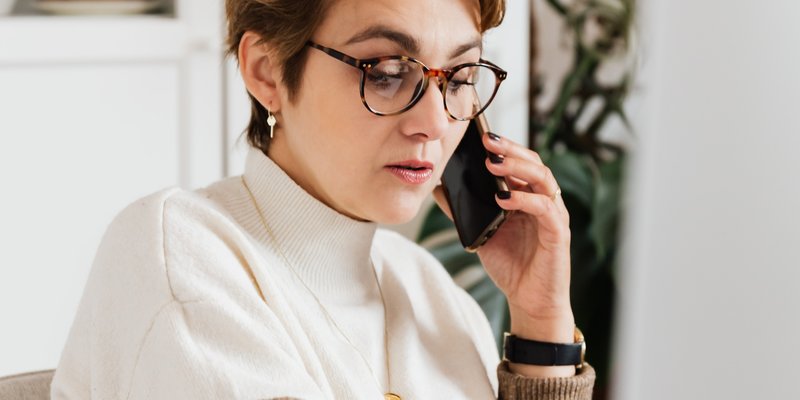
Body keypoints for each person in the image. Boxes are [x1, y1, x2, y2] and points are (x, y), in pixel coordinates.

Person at [50, 0, 595, 398]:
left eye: (461, 77)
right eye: (385, 73)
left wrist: (541, 326)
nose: (435, 122)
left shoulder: (433, 294)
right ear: (266, 70)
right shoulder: (176, 254)